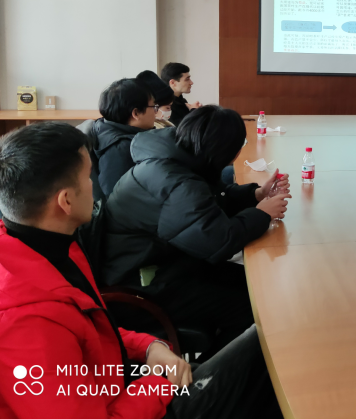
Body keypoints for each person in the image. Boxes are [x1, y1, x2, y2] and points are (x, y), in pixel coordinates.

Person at [0, 122, 282, 418]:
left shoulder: (40, 248)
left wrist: (148, 346)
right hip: (130, 402)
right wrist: (159, 384)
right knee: (268, 355)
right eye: (88, 177)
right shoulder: (25, 323)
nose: (94, 185)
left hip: (118, 382)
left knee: (264, 349)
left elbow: (90, 332)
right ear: (65, 201)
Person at [101, 105, 290, 361]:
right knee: (254, 307)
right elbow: (218, 242)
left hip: (162, 265)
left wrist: (256, 195)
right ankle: (210, 374)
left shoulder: (179, 158)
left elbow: (207, 205)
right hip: (145, 286)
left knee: (256, 285)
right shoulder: (175, 181)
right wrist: (262, 214)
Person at [93, 79, 157, 198]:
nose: (155, 112)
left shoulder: (105, 127)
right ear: (136, 113)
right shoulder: (121, 148)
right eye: (154, 107)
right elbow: (114, 197)